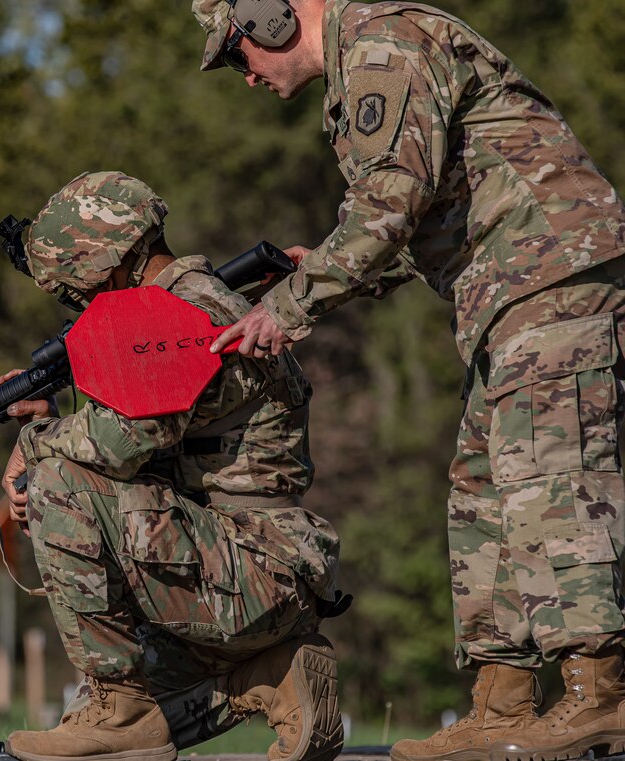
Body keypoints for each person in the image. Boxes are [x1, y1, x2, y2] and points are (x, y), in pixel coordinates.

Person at [191, 1, 625, 760]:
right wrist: (326, 270)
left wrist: (289, 306)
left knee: (551, 478)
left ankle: (602, 693)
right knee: (484, 490)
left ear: (269, 18)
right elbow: (411, 211)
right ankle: (505, 702)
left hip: (549, 274)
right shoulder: (369, 56)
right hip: (513, 291)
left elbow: (390, 201)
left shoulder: (384, 44)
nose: (247, 77)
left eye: (237, 55)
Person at [0, 169, 346, 761]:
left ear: (105, 265)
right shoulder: (200, 303)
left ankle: (121, 708)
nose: (77, 304)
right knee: (147, 717)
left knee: (55, 483)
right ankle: (267, 675)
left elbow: (115, 447)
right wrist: (51, 417)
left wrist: (34, 439)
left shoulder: (179, 321)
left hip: (246, 571)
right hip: (254, 572)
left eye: (73, 288)